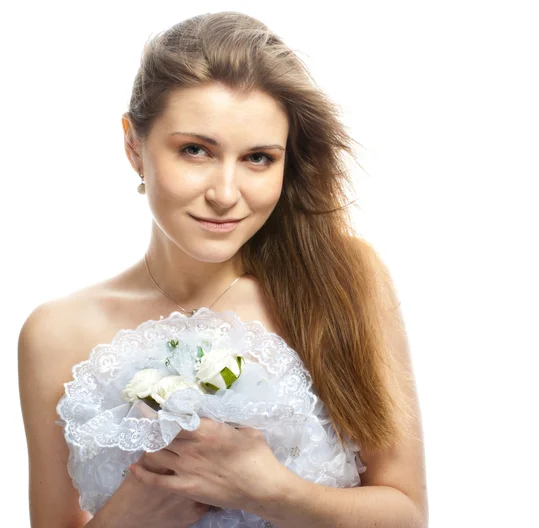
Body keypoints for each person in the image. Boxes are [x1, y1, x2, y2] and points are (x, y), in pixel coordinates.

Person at [18, 11, 427, 528]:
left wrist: (270, 491)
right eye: (196, 150)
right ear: (133, 146)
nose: (226, 194)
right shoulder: (57, 334)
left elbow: (407, 514)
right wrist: (133, 514)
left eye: (258, 158)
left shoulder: (342, 280)